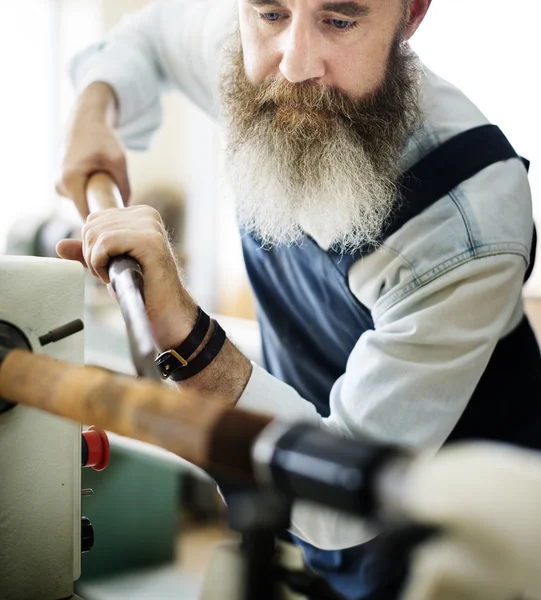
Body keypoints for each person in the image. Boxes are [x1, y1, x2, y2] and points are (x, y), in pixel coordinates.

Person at [56, 0, 541, 598]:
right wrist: (93, 108)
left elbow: (337, 504)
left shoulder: (466, 224)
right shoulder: (251, 50)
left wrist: (187, 334)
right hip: (298, 520)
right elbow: (150, 36)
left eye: (339, 21)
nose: (293, 64)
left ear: (411, 16)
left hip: (453, 550)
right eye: (270, 13)